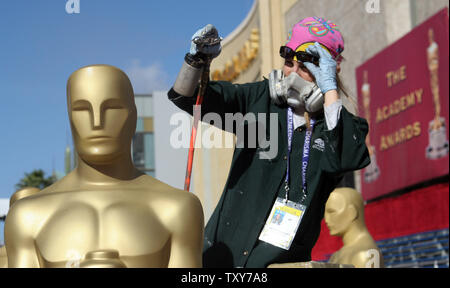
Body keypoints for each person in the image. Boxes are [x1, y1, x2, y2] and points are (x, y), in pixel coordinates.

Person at [168, 17, 370, 268]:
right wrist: (196, 62)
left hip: (279, 263)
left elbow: (349, 157)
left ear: (330, 70)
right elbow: (187, 97)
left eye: (306, 67)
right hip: (220, 258)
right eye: (288, 63)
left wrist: (330, 92)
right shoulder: (260, 99)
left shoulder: (340, 125)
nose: (293, 74)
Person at [5, 65, 204, 268]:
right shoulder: (28, 216)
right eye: (82, 109)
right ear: (69, 117)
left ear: (133, 116)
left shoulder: (177, 209)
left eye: (112, 107)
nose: (97, 122)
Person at [326, 187, 383, 268]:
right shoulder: (335, 256)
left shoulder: (367, 254)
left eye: (331, 212)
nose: (326, 219)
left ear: (352, 212)